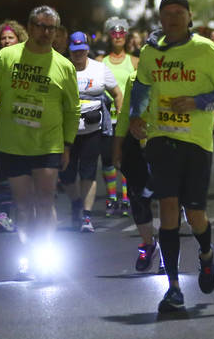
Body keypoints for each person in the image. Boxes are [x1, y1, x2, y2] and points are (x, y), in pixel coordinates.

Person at [128, 0, 214, 313]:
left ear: (189, 17)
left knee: (196, 215)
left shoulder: (205, 49)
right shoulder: (149, 53)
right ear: (160, 19)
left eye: (179, 12)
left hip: (197, 143)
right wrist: (136, 115)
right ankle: (173, 288)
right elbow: (142, 87)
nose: (173, 18)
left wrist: (197, 102)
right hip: (161, 140)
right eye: (167, 13)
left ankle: (206, 255)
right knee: (169, 210)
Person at [0, 5, 81, 279]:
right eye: (40, 26)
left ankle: (45, 253)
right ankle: (28, 252)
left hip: (48, 143)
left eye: (50, 28)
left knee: (45, 200)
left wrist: (67, 143)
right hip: (13, 143)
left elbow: (72, 108)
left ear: (57, 32)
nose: (45, 32)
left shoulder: (64, 65)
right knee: (23, 203)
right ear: (30, 28)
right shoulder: (7, 57)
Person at [63, 31, 121, 233]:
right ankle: (76, 203)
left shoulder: (99, 69)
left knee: (88, 171)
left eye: (81, 50)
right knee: (66, 174)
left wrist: (120, 117)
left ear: (87, 49)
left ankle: (86, 216)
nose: (78, 54)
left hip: (93, 130)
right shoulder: (62, 68)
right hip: (66, 131)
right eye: (74, 51)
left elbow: (116, 93)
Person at [113, 71, 163, 274]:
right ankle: (148, 244)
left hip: (165, 140)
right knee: (138, 197)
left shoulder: (174, 74)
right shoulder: (134, 78)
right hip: (137, 143)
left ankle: (167, 253)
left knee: (165, 198)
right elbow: (125, 112)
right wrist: (117, 145)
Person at [0, 20, 28, 231]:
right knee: (0, 163)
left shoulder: (27, 59)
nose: (6, 41)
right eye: (3, 38)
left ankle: (25, 211)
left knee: (21, 164)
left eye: (10, 37)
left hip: (21, 118)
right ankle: (5, 212)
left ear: (19, 39)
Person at [96, 17, 137, 217]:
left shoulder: (135, 61)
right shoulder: (100, 62)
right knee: (108, 160)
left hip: (127, 119)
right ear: (109, 36)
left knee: (127, 160)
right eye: (114, 33)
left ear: (126, 36)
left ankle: (127, 197)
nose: (118, 36)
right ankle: (112, 198)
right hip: (106, 119)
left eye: (122, 33)